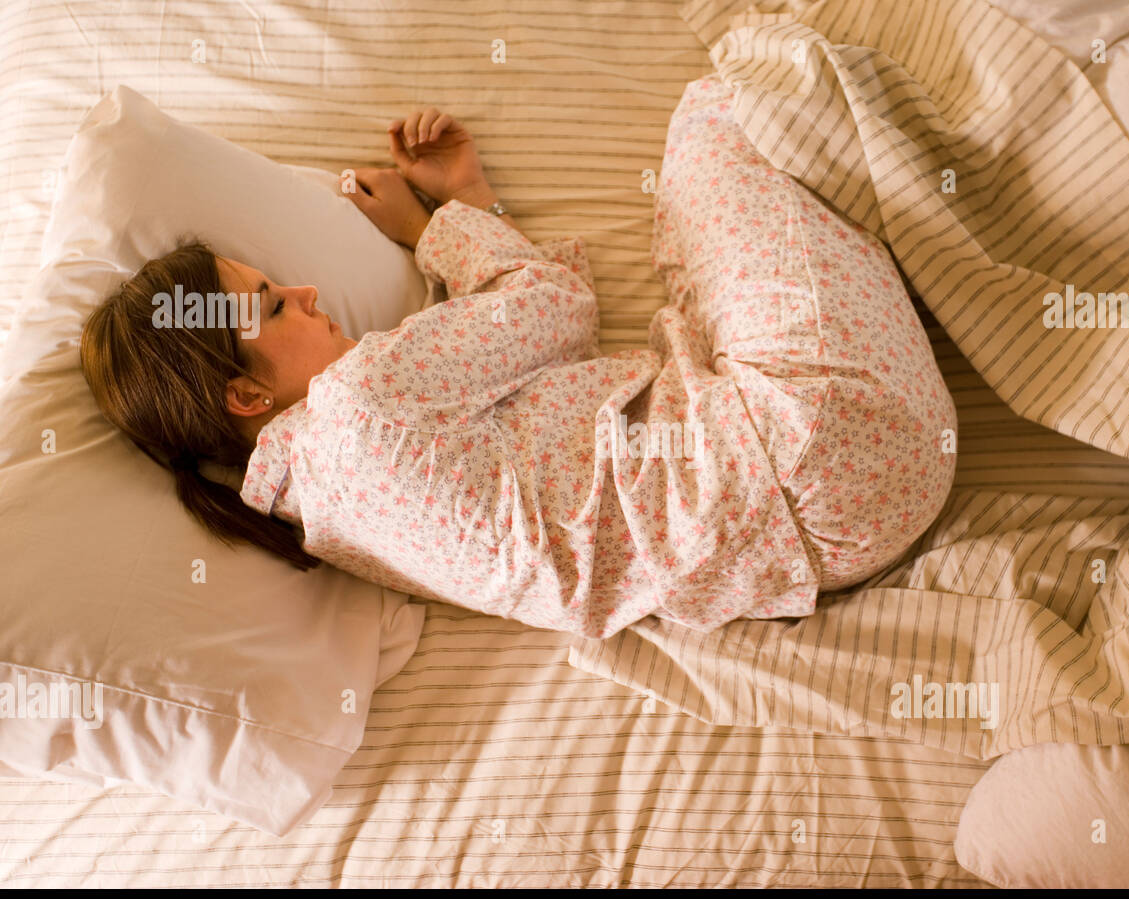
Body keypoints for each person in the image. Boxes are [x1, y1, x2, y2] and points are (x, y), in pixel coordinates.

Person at [80, 76, 958, 639]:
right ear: (243, 396)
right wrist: (437, 221)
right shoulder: (357, 400)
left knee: (694, 242)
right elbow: (557, 310)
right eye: (274, 305)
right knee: (729, 96)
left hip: (824, 541)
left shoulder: (325, 522)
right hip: (815, 431)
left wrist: (464, 207)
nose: (308, 295)